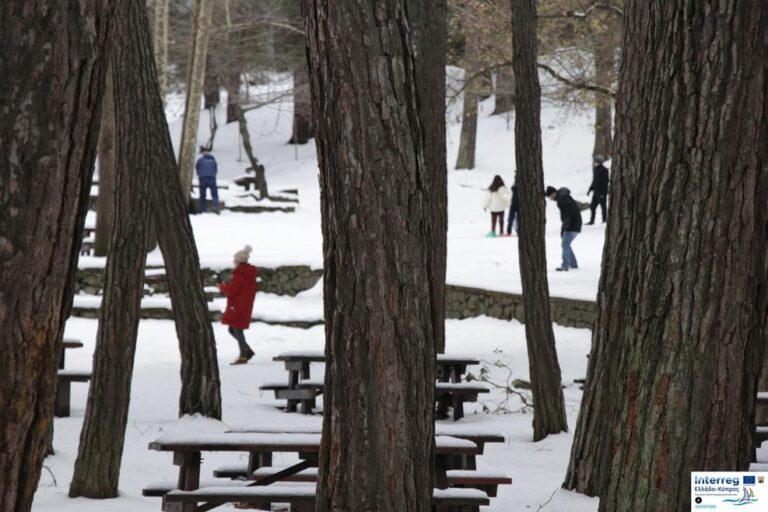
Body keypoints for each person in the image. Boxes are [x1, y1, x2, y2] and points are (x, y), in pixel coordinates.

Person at [219, 245, 258, 364]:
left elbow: (231, 291)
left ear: (238, 261)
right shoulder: (249, 274)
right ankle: (247, 350)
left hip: (238, 307)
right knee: (233, 329)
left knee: (237, 329)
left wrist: (222, 286)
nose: (233, 262)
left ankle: (243, 355)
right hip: (244, 305)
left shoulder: (240, 275)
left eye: (235, 260)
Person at [546, 186, 582, 271]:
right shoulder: (563, 197)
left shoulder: (562, 198)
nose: (551, 199)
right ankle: (573, 264)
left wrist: (567, 221)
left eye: (550, 196)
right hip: (575, 223)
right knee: (566, 244)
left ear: (553, 193)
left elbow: (569, 209)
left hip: (572, 224)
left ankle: (565, 265)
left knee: (565, 244)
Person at [587, 155, 609, 225]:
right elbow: (594, 181)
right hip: (596, 191)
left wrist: (603, 190)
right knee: (592, 206)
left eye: (595, 161)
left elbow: (605, 181)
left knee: (603, 206)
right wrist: (590, 189)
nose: (594, 162)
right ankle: (592, 220)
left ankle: (604, 219)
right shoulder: (596, 170)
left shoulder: (604, 170)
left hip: (602, 191)